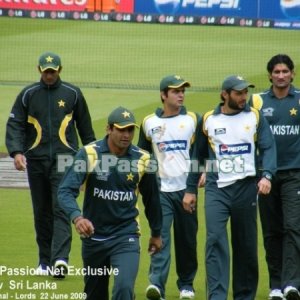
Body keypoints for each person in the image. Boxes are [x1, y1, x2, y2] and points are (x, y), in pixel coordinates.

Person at [183, 75, 277, 300]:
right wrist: (190, 190)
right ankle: (216, 296)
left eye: (245, 92)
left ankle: (244, 296)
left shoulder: (254, 116)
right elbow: (198, 157)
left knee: (245, 243)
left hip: (246, 188)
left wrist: (267, 176)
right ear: (225, 95)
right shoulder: (208, 120)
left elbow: (268, 147)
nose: (244, 97)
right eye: (238, 93)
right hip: (217, 189)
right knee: (214, 239)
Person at [5, 51, 96, 278]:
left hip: (66, 160)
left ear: (60, 70)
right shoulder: (27, 95)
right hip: (36, 161)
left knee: (61, 208)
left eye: (52, 71)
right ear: (39, 70)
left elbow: (85, 128)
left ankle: (60, 260)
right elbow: (15, 125)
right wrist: (16, 152)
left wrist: (94, 156)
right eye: (45, 72)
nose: (49, 75)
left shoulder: (72, 94)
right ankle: (44, 261)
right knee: (42, 212)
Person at [57, 106, 162, 300]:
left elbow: (152, 200)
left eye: (130, 130)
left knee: (123, 288)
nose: (126, 135)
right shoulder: (89, 154)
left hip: (126, 235)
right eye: (121, 129)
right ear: (108, 129)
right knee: (94, 295)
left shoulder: (144, 159)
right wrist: (77, 218)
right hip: (94, 238)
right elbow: (64, 191)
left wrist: (156, 233)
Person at [138, 75, 200, 300]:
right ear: (164, 95)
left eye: (183, 90)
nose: (181, 94)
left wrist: (198, 177)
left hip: (186, 190)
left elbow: (200, 153)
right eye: (175, 91)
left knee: (187, 239)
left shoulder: (194, 119)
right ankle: (156, 285)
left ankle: (186, 284)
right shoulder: (148, 123)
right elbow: (142, 157)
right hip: (160, 191)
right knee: (160, 235)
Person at [249, 54, 300, 300]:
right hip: (265, 177)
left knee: (293, 227)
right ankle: (275, 286)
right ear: (269, 75)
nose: (281, 76)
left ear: (292, 74)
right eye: (276, 72)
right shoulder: (257, 101)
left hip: (295, 174)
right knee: (271, 231)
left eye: (285, 71)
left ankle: (292, 283)